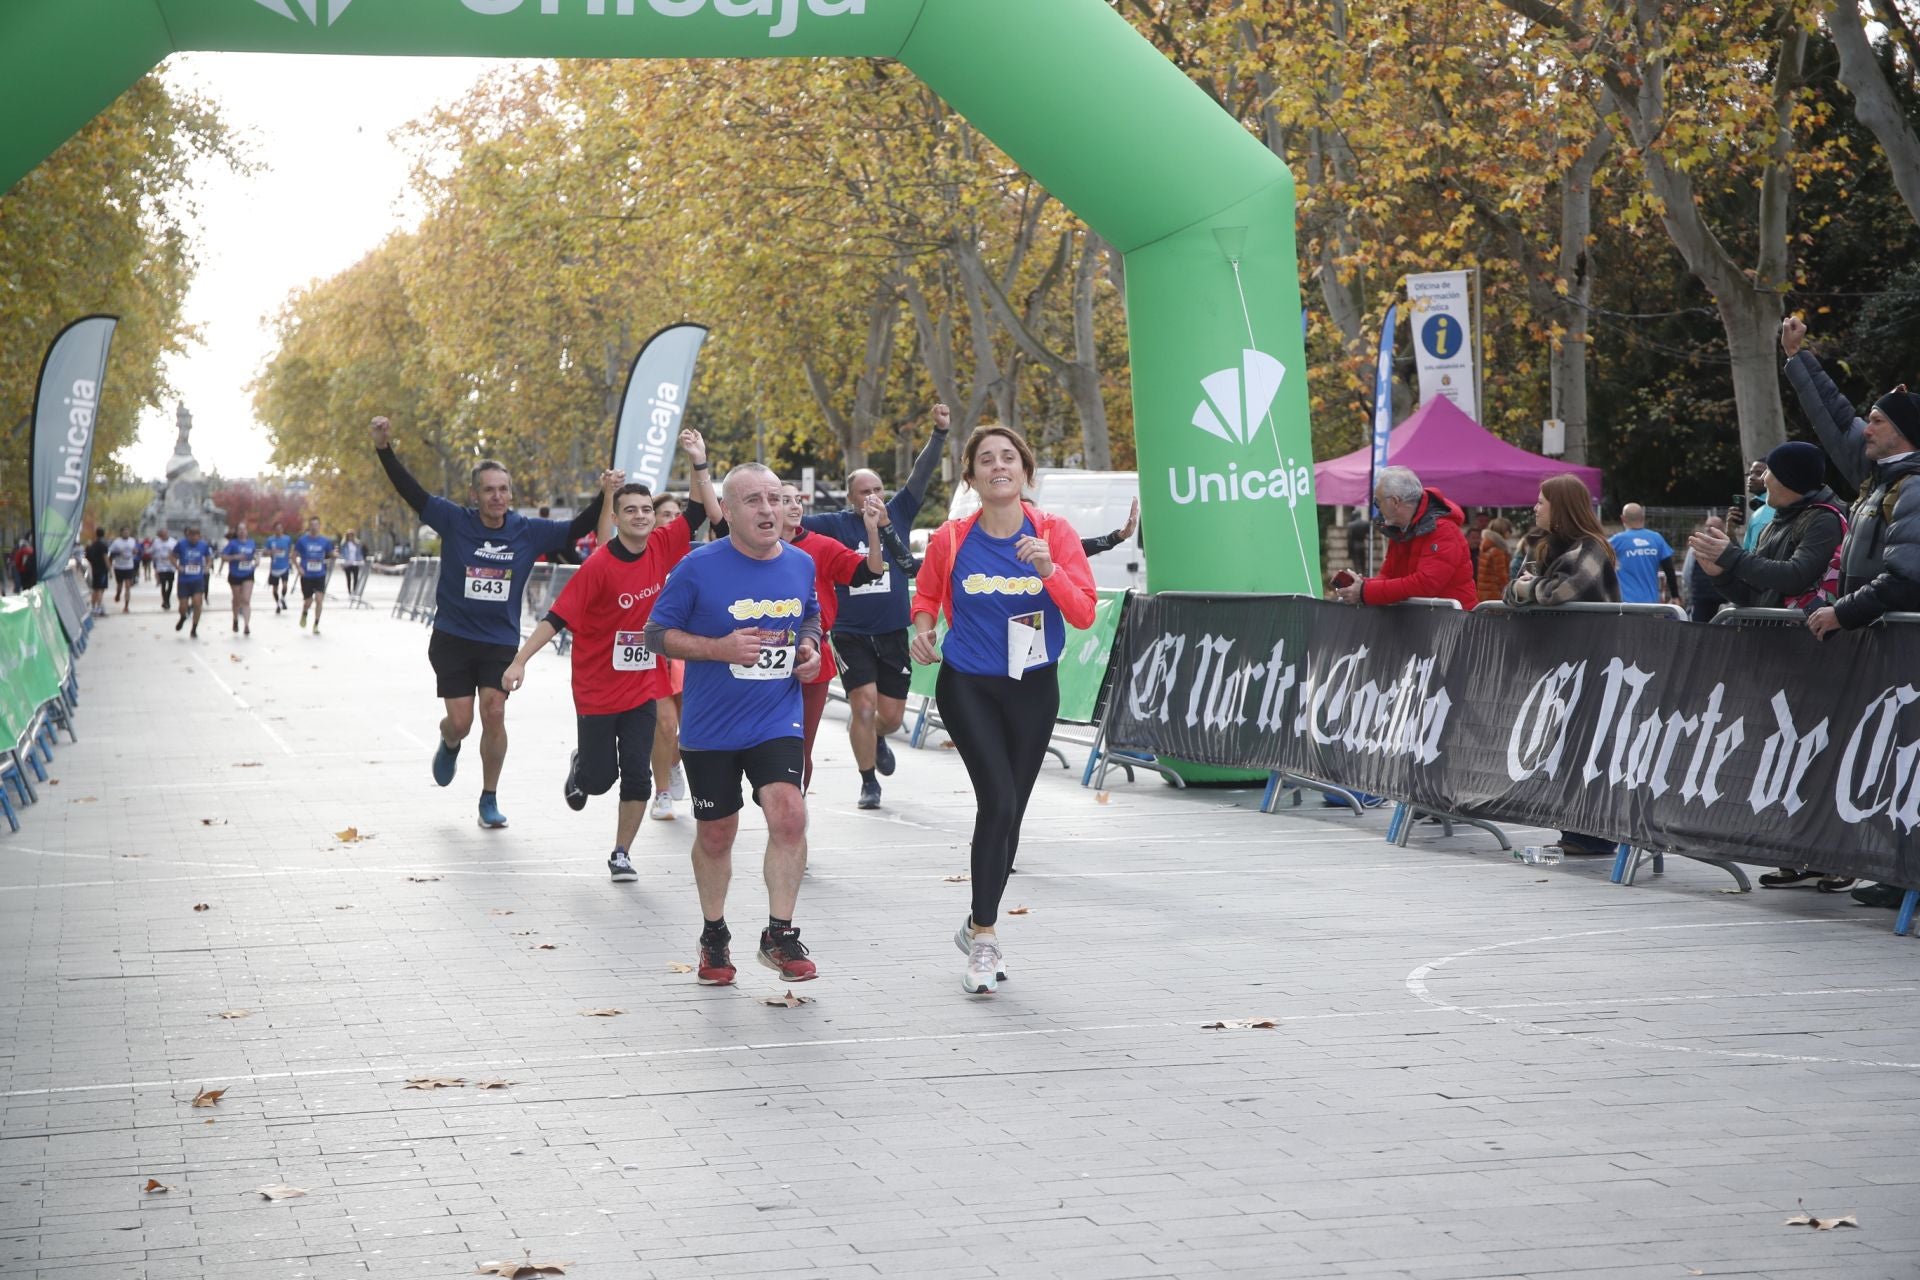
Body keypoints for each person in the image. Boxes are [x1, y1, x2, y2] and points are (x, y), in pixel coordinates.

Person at [909, 424, 1097, 995]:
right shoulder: (952, 538)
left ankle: (973, 922)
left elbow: (1085, 613)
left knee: (1012, 809)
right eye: (986, 460)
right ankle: (986, 938)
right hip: (968, 684)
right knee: (997, 800)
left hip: (1033, 686)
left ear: (1025, 472)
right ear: (971, 477)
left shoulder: (1054, 533)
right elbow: (925, 598)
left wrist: (1049, 570)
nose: (998, 466)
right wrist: (922, 631)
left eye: (1008, 458)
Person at [372, 414, 609, 830]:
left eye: (503, 490)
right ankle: (448, 742)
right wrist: (383, 448)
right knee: (461, 722)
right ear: (475, 494)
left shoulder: (527, 531)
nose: (497, 497)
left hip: (499, 642)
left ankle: (489, 797)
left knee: (494, 711)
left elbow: (577, 529)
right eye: (489, 490)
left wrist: (607, 494)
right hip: (452, 638)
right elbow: (411, 491)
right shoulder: (453, 520)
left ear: (510, 494)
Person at [503, 432, 717, 881]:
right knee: (600, 781)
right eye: (631, 511)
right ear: (616, 517)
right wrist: (520, 660)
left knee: (637, 775)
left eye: (646, 510)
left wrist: (699, 461)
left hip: (642, 687)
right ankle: (581, 767)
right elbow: (556, 618)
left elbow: (699, 511)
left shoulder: (662, 545)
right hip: (597, 690)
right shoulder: (598, 567)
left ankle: (621, 852)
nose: (640, 516)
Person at [646, 463, 824, 986]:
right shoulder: (698, 567)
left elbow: (809, 616)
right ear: (727, 510)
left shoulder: (801, 563)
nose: (768, 509)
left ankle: (779, 934)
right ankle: (714, 934)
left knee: (789, 815)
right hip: (710, 726)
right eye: (753, 500)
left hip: (776, 715)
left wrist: (810, 647)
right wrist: (718, 649)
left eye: (774, 498)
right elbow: (657, 635)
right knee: (718, 834)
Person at [1689, 440, 1851, 892]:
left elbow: (1795, 577)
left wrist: (1733, 558)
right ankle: (1797, 850)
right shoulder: (1775, 520)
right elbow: (1760, 594)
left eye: (1771, 474)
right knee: (1784, 752)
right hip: (1776, 651)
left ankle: (1837, 854)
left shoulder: (1822, 521)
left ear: (1792, 480)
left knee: (1822, 753)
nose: (1762, 480)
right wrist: (1722, 576)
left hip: (1815, 651)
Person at [801, 402, 951, 811]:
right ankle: (868, 782)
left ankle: (877, 736)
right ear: (851, 498)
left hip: (891, 632)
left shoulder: (898, 513)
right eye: (864, 492)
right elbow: (787, 527)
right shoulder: (834, 525)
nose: (872, 497)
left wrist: (938, 434)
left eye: (877, 490)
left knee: (889, 715)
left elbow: (920, 474)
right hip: (851, 634)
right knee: (862, 706)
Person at [1779, 316, 1920, 642]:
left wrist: (1842, 613)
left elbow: (1906, 577)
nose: (1865, 429)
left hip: (1902, 649)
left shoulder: (1912, 486)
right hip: (1874, 642)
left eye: (1876, 421)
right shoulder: (1879, 474)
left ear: (1903, 433)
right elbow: (1836, 414)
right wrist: (1796, 355)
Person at [1504, 474, 1620, 857]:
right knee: (1565, 745)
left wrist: (1527, 590)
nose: (1535, 507)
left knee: (1589, 745)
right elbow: (1511, 590)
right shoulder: (1543, 546)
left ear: (1562, 507)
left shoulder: (1592, 548)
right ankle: (1574, 827)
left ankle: (1596, 831)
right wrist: (1524, 589)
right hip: (1562, 666)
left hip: (1595, 664)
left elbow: (1558, 593)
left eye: (1541, 501)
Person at [781, 480, 886, 790]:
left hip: (811, 659)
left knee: (799, 748)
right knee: (763, 747)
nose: (795, 506)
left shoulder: (821, 546)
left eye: (797, 500)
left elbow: (871, 571)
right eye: (785, 500)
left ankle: (792, 818)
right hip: (759, 660)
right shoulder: (753, 548)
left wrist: (872, 531)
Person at [1328, 466, 1477, 610]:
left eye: (1377, 502)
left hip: (1454, 626)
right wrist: (1362, 585)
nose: (1377, 507)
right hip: (1431, 622)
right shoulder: (1401, 530)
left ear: (1394, 502)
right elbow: (1389, 576)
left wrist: (1364, 591)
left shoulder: (1443, 530)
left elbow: (1426, 584)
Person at [647, 492, 692, 820]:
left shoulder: (695, 558)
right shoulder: (645, 556)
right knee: (664, 724)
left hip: (688, 651)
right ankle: (661, 793)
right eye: (666, 514)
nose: (673, 519)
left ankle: (674, 761)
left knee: (687, 727)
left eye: (678, 514)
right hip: (653, 652)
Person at [1608, 503, 1678, 604]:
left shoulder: (1615, 541)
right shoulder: (1656, 539)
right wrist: (1675, 595)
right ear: (1643, 518)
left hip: (1625, 604)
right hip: (1651, 604)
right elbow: (1669, 569)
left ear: (1623, 519)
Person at [1680, 515, 1730, 623]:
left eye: (1711, 526)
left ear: (1720, 529)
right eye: (1706, 525)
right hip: (1700, 601)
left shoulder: (1727, 548)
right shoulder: (1695, 547)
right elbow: (1687, 574)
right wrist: (1693, 593)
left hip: (1722, 603)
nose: (1707, 528)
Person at [292, 517, 336, 634]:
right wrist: (298, 568)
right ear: (309, 526)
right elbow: (293, 556)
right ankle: (304, 613)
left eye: (316, 525)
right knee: (309, 601)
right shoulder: (302, 541)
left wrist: (335, 554)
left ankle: (316, 624)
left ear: (319, 526)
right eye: (312, 525)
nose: (314, 527)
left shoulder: (324, 541)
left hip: (320, 574)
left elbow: (330, 553)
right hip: (306, 575)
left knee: (319, 599)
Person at [173, 523, 214, 637]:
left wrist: (207, 566)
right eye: (192, 536)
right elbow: (171, 556)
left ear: (199, 536)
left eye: (197, 536)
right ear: (188, 536)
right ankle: (183, 617)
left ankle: (194, 628)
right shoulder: (181, 544)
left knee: (197, 603)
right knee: (183, 606)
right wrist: (177, 566)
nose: (194, 539)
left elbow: (209, 558)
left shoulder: (203, 545)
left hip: (197, 579)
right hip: (184, 580)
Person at [221, 521, 258, 635]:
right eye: (240, 530)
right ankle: (235, 619)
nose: (242, 532)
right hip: (235, 574)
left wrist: (257, 561)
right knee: (237, 600)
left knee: (246, 600)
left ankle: (246, 625)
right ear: (237, 532)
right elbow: (223, 557)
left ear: (247, 531)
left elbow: (255, 554)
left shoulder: (251, 543)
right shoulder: (232, 544)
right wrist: (234, 557)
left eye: (244, 529)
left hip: (248, 574)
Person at [1476, 517, 1512, 603]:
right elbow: (1501, 576)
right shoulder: (1498, 550)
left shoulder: (1486, 546)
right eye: (1510, 530)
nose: (1511, 533)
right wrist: (1509, 592)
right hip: (1495, 594)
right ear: (1504, 531)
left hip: (1484, 593)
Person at [264, 524, 293, 614]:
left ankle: (283, 598)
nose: (278, 530)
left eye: (280, 529)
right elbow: (265, 552)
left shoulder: (287, 539)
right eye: (277, 529)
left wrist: (290, 559)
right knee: (274, 589)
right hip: (274, 568)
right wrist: (270, 552)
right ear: (274, 530)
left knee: (285, 585)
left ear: (282, 529)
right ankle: (277, 604)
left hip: (284, 566)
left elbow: (291, 549)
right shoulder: (270, 540)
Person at [108, 528, 140, 612]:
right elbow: (111, 553)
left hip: (129, 566)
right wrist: (118, 554)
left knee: (128, 586)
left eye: (127, 532)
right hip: (119, 566)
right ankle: (118, 594)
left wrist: (135, 552)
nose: (126, 534)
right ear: (121, 533)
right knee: (119, 586)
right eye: (125, 532)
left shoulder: (132, 541)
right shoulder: (116, 542)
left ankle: (126, 606)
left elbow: (136, 551)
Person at [83, 528, 109, 615]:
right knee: (100, 589)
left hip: (95, 568)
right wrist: (109, 568)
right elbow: (105, 557)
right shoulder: (103, 545)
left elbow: (88, 556)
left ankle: (94, 607)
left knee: (95, 588)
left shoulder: (93, 544)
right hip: (102, 569)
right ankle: (99, 607)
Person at [150, 527, 176, 609]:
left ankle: (167, 598)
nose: (163, 536)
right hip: (161, 566)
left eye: (165, 534)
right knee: (163, 584)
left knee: (170, 584)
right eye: (162, 535)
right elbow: (152, 552)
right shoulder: (156, 542)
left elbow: (177, 553)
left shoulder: (173, 542)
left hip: (171, 566)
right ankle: (165, 601)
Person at [340, 531, 366, 597]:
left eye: (351, 535)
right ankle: (349, 592)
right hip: (347, 563)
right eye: (349, 535)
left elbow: (359, 553)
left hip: (355, 563)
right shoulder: (344, 544)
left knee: (355, 578)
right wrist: (342, 563)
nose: (350, 537)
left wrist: (361, 560)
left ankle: (354, 591)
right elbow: (342, 554)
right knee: (348, 578)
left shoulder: (357, 544)